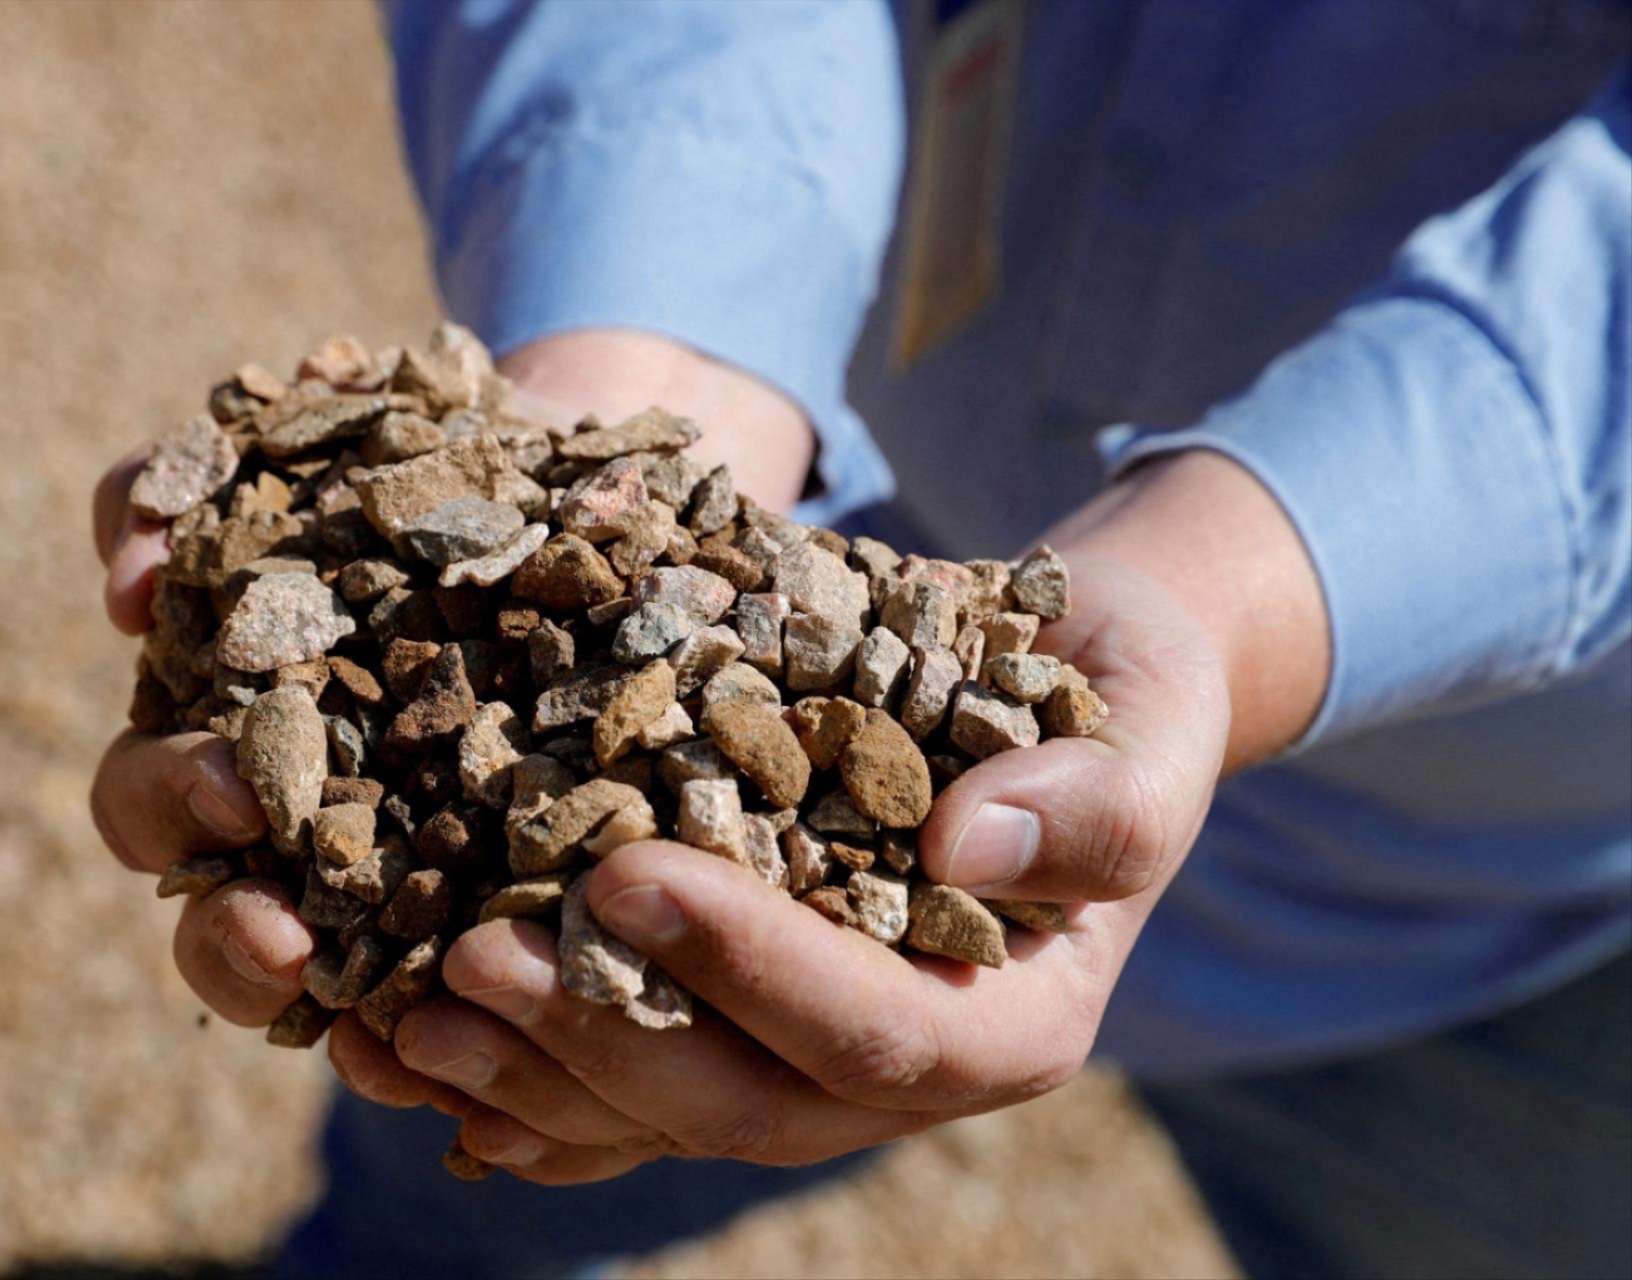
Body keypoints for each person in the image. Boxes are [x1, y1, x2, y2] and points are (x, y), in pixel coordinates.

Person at [89, 3, 1632, 1276]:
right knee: (462, 1140)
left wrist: (1234, 590)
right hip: (828, 543)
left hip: (1487, 888)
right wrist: (647, 375)